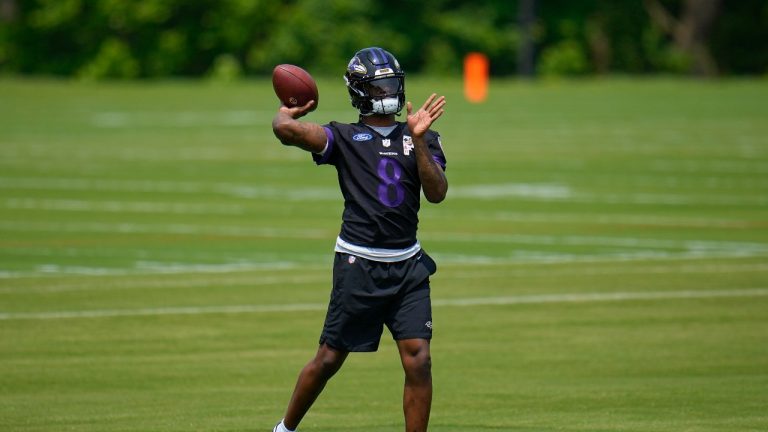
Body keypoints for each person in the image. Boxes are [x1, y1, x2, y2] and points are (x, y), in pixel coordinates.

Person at [271, 47, 448, 432]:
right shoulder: (346, 137)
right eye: (379, 83)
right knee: (329, 359)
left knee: (419, 359)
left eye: (391, 82)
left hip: (407, 266)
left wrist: (418, 140)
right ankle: (284, 429)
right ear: (360, 91)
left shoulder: (422, 135)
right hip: (359, 264)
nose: (388, 90)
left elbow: (436, 193)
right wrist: (286, 114)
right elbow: (287, 132)